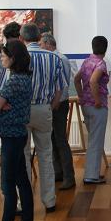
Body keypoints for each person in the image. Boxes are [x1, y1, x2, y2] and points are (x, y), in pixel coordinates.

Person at [0, 39, 34, 221]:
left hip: (11, 137)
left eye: (4, 55)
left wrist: (1, 104)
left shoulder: (13, 81)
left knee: (8, 185)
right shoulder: (25, 78)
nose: (1, 59)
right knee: (22, 179)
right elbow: (0, 104)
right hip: (18, 134)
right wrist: (2, 103)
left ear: (13, 58)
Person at [20, 23, 68, 213]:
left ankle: (23, 203)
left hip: (22, 110)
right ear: (39, 37)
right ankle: (49, 201)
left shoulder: (19, 56)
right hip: (44, 108)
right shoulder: (53, 57)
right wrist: (51, 105)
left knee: (23, 155)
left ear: (22, 38)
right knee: (45, 154)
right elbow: (60, 88)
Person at [39, 33, 75, 190]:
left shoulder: (59, 59)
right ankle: (58, 172)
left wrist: (57, 102)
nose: (40, 47)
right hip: (55, 103)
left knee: (60, 139)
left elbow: (62, 85)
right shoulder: (56, 57)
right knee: (52, 139)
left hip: (59, 103)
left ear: (48, 43)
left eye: (41, 44)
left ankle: (68, 177)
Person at [75, 36, 110, 184]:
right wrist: (97, 100)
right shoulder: (101, 64)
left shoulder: (87, 61)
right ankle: (91, 176)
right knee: (96, 141)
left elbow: (76, 79)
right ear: (105, 48)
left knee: (92, 140)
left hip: (86, 106)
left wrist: (81, 96)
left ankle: (92, 173)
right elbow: (93, 81)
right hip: (97, 107)